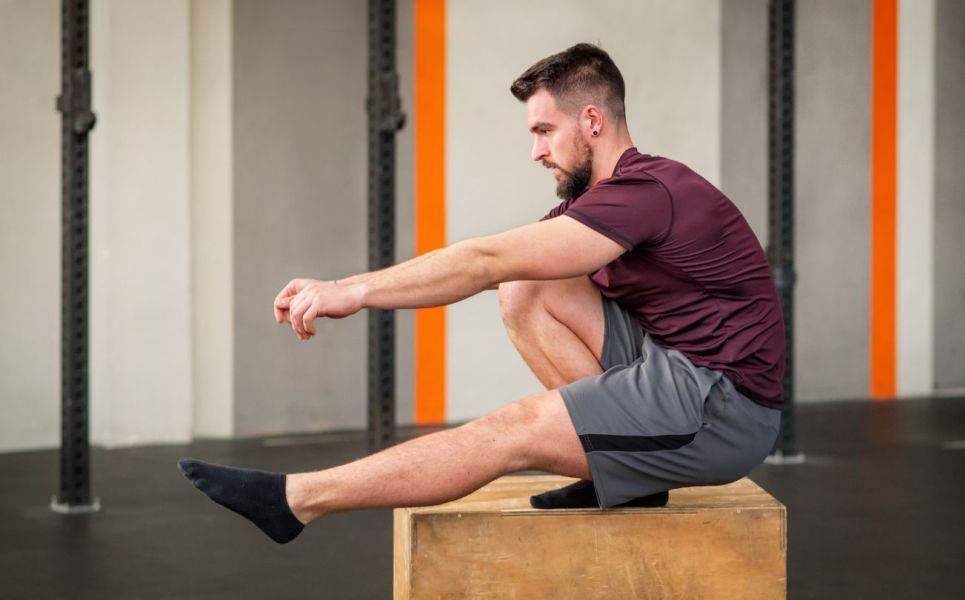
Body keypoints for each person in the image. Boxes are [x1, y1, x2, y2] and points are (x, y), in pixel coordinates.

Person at [179, 43, 785, 544]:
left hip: (723, 407)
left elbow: (482, 259)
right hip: (673, 365)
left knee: (513, 430)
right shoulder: (601, 202)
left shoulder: (648, 191)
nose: (536, 150)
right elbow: (502, 271)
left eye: (546, 130)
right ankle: (626, 475)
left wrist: (351, 290)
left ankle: (297, 500)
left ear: (593, 121)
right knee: (527, 286)